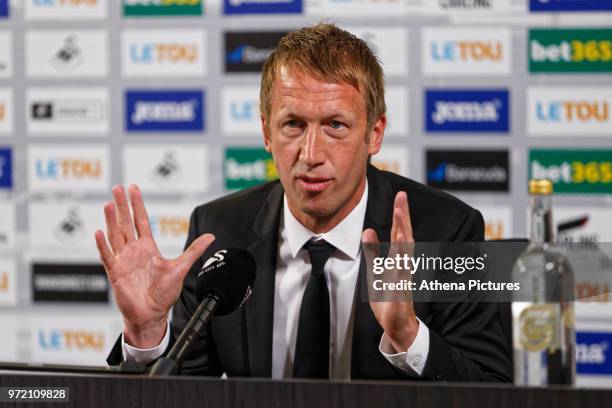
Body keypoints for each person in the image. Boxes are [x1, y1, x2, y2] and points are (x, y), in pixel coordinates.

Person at [100, 23, 511, 382]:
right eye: (293, 125)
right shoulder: (220, 230)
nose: (310, 153)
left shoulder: (448, 231)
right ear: (266, 132)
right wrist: (146, 335)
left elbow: (493, 391)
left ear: (374, 134)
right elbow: (178, 390)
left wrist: (409, 338)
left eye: (335, 125)